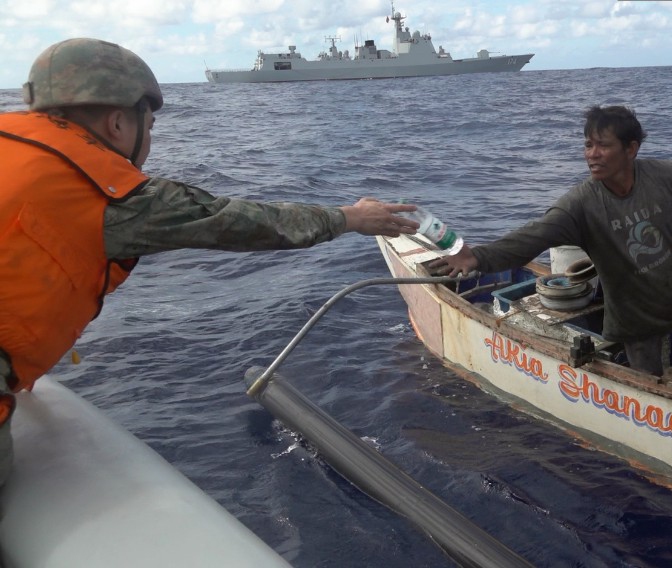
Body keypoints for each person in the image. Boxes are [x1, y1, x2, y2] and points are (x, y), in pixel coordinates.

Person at [0, 38, 420, 486]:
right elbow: (245, 222)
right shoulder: (104, 193)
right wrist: (352, 218)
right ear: (118, 122)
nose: (151, 139)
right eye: (150, 124)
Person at [434, 105, 672, 376]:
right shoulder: (580, 205)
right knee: (648, 387)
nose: (592, 155)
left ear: (631, 149)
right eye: (588, 145)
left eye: (603, 146)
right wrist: (476, 257)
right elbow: (530, 238)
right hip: (636, 319)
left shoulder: (668, 176)